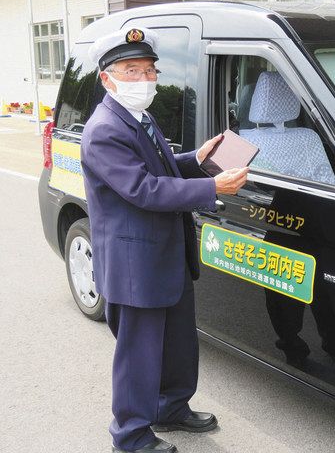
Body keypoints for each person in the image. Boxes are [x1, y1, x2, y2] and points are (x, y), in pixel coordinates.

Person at [80, 27, 249, 453]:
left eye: (149, 70)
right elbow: (143, 189)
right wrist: (214, 188)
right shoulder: (104, 129)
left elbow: (160, 166)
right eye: (131, 70)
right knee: (138, 355)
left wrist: (198, 159)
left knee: (177, 340)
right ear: (107, 78)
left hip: (164, 252)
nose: (144, 79)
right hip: (135, 262)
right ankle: (131, 436)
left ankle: (170, 408)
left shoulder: (137, 116)